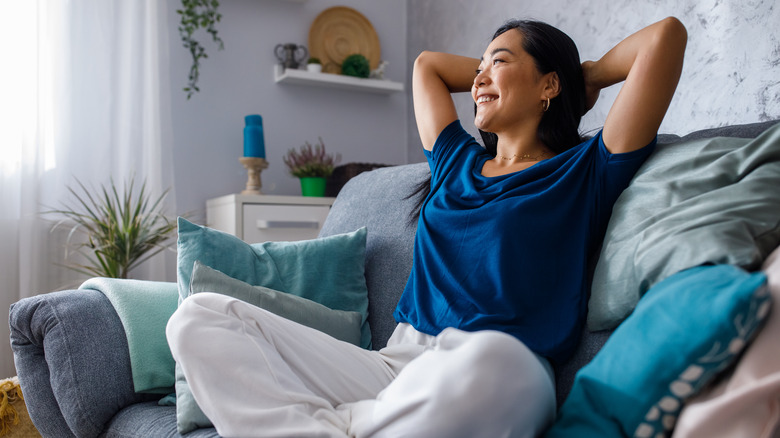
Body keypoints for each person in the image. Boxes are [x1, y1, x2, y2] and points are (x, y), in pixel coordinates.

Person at [166, 16, 687, 438]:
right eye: (478, 66)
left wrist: (582, 75)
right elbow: (427, 67)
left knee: (496, 362)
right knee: (198, 317)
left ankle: (347, 424)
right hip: (398, 363)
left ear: (548, 83)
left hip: (499, 362)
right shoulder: (455, 163)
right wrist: (499, 70)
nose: (478, 78)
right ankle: (344, 427)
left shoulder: (585, 170)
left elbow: (664, 37)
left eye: (498, 63)